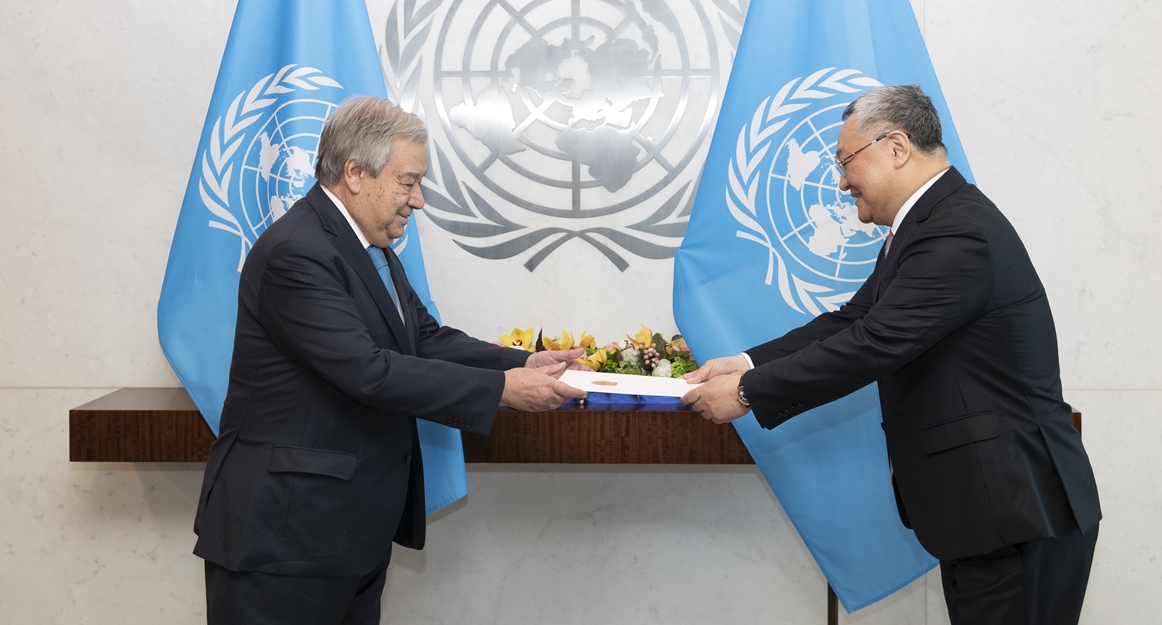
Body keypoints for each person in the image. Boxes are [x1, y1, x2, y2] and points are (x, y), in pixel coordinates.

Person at [682, 85, 1101, 625]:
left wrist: (745, 394)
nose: (841, 180)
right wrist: (746, 363)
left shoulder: (956, 231)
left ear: (896, 147)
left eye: (845, 160)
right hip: (992, 513)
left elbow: (874, 344)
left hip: (1016, 511)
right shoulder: (930, 224)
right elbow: (855, 320)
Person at [194, 95, 587, 625]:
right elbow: (368, 369)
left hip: (345, 534)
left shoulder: (365, 245)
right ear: (355, 173)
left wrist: (520, 365)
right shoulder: (298, 251)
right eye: (408, 182)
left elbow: (422, 339)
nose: (418, 200)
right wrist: (501, 392)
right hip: (284, 540)